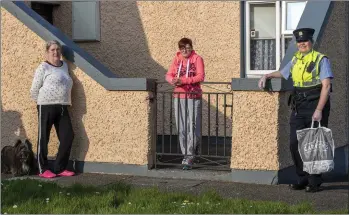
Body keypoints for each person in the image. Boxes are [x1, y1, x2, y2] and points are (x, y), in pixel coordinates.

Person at [258, 28, 333, 192]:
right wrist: (267, 76)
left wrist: (319, 109)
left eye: (305, 41)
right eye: (299, 42)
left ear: (311, 42)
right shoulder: (296, 59)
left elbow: (326, 86)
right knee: (295, 143)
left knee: (313, 144)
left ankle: (314, 181)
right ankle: (303, 177)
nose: (302, 44)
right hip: (299, 106)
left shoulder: (321, 59)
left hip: (316, 105)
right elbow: (284, 73)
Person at [30, 40, 75, 178]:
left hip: (62, 106)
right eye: (52, 50)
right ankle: (42, 169)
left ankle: (59, 167)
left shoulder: (64, 66)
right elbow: (34, 89)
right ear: (47, 52)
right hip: (46, 106)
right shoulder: (43, 67)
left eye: (58, 50)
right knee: (44, 138)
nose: (56, 52)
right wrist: (42, 103)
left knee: (68, 136)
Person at [165, 38, 205, 170]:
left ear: (191, 47)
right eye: (182, 48)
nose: (184, 51)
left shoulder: (197, 58)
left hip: (193, 96)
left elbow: (200, 77)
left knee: (192, 126)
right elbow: (168, 75)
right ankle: (186, 155)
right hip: (179, 96)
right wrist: (173, 81)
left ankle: (190, 156)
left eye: (187, 48)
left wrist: (184, 81)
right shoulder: (177, 59)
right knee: (181, 127)